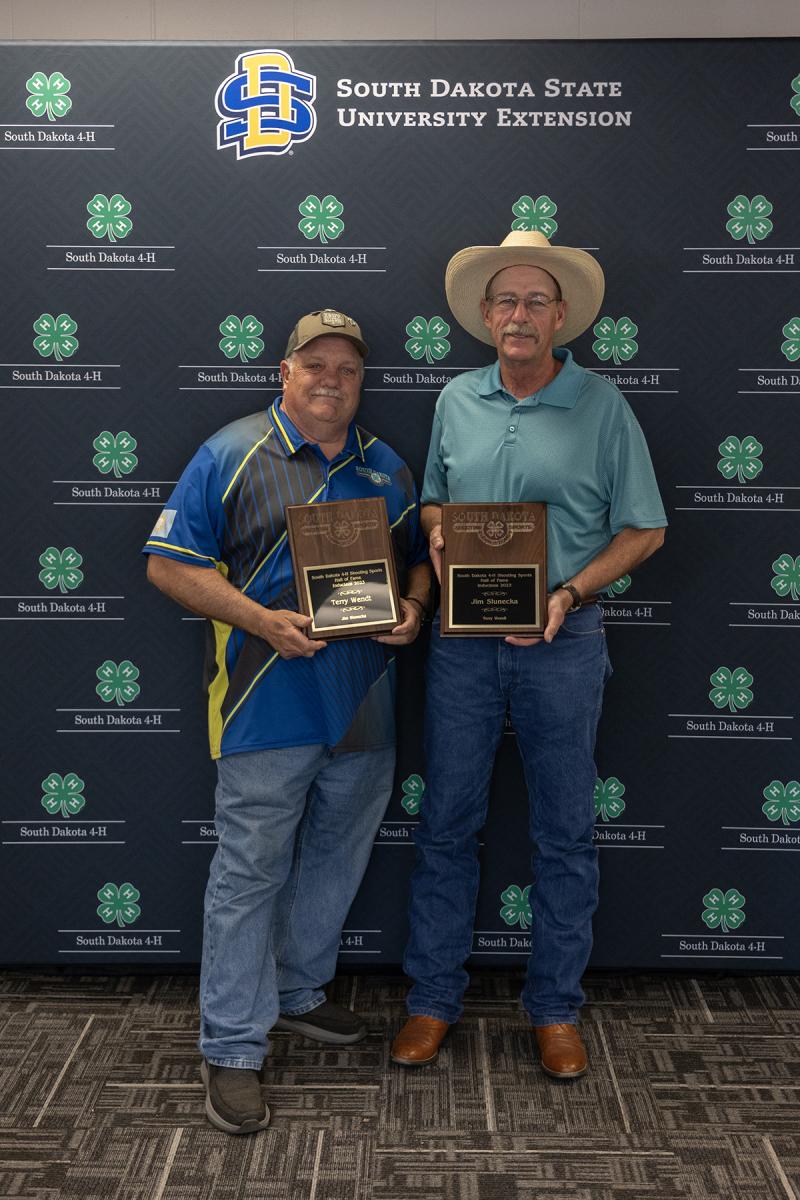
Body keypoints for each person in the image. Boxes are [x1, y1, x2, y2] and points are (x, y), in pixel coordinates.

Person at [144, 309, 430, 1134]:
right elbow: (168, 564)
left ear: (362, 378)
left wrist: (413, 609)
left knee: (336, 860)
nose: (331, 379)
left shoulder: (388, 468)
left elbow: (416, 559)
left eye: (347, 367)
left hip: (364, 703)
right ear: (285, 372)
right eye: (315, 365)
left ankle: (299, 992)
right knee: (249, 873)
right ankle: (232, 1046)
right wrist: (261, 620)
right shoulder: (232, 453)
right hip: (264, 702)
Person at [390, 231, 666, 1079]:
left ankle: (554, 1010)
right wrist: (439, 543)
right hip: (463, 647)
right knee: (446, 828)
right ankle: (432, 1002)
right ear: (484, 315)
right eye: (504, 300)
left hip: (564, 643)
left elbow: (646, 527)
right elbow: (435, 505)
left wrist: (567, 594)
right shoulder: (455, 400)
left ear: (560, 316)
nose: (518, 315)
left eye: (534, 301)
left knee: (564, 836)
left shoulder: (603, 404)